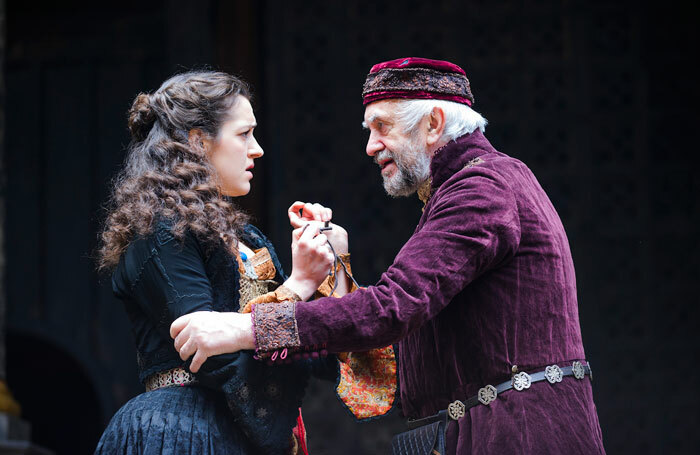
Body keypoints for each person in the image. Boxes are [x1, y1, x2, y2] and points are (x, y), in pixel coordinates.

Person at [170, 58, 605, 454]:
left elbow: (393, 308)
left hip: (523, 436)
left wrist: (245, 326)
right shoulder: (464, 189)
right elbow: (396, 353)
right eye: (369, 131)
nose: (371, 146)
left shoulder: (481, 189)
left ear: (433, 123)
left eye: (382, 127)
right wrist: (336, 272)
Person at [94, 70, 369, 455]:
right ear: (198, 142)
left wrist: (333, 261)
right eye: (244, 134)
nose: (257, 149)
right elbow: (209, 355)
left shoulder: (249, 240)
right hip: (182, 432)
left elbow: (319, 357)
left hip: (241, 435)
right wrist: (300, 284)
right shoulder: (159, 231)